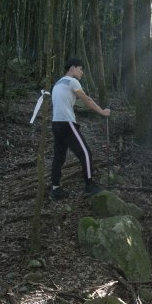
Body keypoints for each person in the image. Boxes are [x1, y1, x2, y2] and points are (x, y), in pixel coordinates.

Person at [50, 57, 111, 200]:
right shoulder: (73, 81)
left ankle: (55, 189)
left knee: (58, 157)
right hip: (66, 123)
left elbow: (66, 102)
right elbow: (87, 100)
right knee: (86, 153)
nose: (82, 72)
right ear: (72, 68)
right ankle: (89, 185)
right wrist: (102, 112)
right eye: (80, 69)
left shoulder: (58, 83)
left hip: (56, 123)